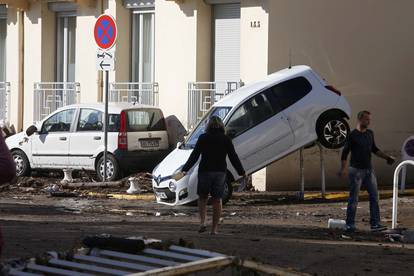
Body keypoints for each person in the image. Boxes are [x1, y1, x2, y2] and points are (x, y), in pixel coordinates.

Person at [181, 116, 246, 235]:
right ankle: (214, 229)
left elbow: (194, 156)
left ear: (208, 126)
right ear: (222, 126)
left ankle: (202, 223)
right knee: (217, 200)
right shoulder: (226, 139)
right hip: (220, 172)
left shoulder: (203, 138)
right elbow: (233, 157)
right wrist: (241, 172)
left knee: (202, 198)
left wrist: (185, 169)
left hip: (205, 171)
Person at [339, 110, 395, 232]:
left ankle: (375, 224)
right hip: (356, 171)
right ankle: (350, 224)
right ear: (360, 120)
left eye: (369, 119)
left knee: (375, 196)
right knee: (354, 198)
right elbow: (345, 153)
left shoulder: (370, 133)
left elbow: (374, 149)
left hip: (369, 170)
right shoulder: (352, 135)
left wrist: (387, 157)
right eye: (366, 119)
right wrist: (343, 169)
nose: (369, 122)